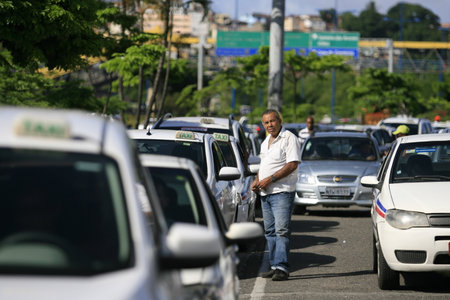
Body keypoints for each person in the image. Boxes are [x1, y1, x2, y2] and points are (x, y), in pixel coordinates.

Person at [251, 109, 301, 281]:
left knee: (281, 231)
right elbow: (264, 165)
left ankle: (282, 267)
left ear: (280, 121)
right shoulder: (265, 142)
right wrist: (257, 180)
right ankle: (274, 265)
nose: (269, 125)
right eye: (266, 122)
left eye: (272, 121)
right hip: (266, 193)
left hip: (282, 192)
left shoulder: (289, 138)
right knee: (270, 231)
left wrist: (270, 179)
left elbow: (292, 164)